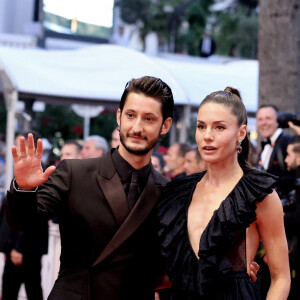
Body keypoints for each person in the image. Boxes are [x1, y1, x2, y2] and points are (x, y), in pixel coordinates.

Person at [5, 76, 174, 300]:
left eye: (149, 119)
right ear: (119, 116)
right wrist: (24, 189)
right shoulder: (75, 173)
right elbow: (21, 222)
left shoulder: (169, 192)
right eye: (131, 115)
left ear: (165, 126)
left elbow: (166, 267)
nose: (137, 127)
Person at [156, 87, 290, 299]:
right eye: (201, 126)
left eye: (219, 127)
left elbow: (281, 278)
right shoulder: (178, 192)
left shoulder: (258, 193)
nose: (207, 136)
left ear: (241, 132)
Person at [0, 131, 48, 300]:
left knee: (28, 289)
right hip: (15, 246)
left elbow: (30, 216)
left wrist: (18, 248)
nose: (16, 149)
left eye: (21, 145)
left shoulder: (39, 176)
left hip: (25, 249)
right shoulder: (23, 171)